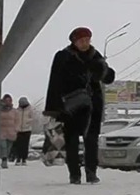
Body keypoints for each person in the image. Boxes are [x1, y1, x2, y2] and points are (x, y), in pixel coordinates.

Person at [44, 27, 116, 184]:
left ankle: (91, 173)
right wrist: (55, 108)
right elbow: (55, 82)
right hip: (71, 105)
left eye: (87, 40)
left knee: (91, 139)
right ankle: (74, 174)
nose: (85, 43)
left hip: (93, 105)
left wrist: (103, 71)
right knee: (72, 140)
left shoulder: (95, 56)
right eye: (81, 40)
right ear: (74, 41)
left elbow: (108, 78)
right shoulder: (63, 56)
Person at [12, 96, 34, 165]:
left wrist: (27, 122)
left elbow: (33, 118)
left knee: (25, 145)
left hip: (27, 130)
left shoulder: (30, 109)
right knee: (19, 145)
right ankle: (18, 158)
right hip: (18, 130)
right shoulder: (17, 110)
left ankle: (24, 159)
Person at [0, 94, 17, 169]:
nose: (7, 102)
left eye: (9, 100)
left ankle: (4, 157)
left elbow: (17, 120)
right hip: (1, 130)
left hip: (11, 131)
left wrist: (16, 129)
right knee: (3, 146)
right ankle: (4, 160)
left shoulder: (14, 111)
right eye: (6, 100)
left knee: (8, 148)